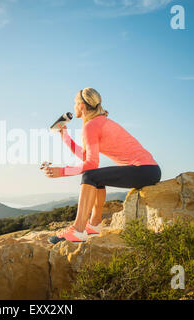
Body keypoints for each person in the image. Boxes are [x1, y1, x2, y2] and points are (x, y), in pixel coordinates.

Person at [44, 87, 161, 244]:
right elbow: (87, 157)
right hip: (149, 170)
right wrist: (64, 136)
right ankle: (94, 224)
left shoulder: (91, 126)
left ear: (82, 106)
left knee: (89, 175)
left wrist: (62, 171)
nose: (73, 106)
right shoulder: (97, 123)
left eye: (75, 103)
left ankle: (78, 230)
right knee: (94, 175)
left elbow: (91, 163)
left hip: (142, 170)